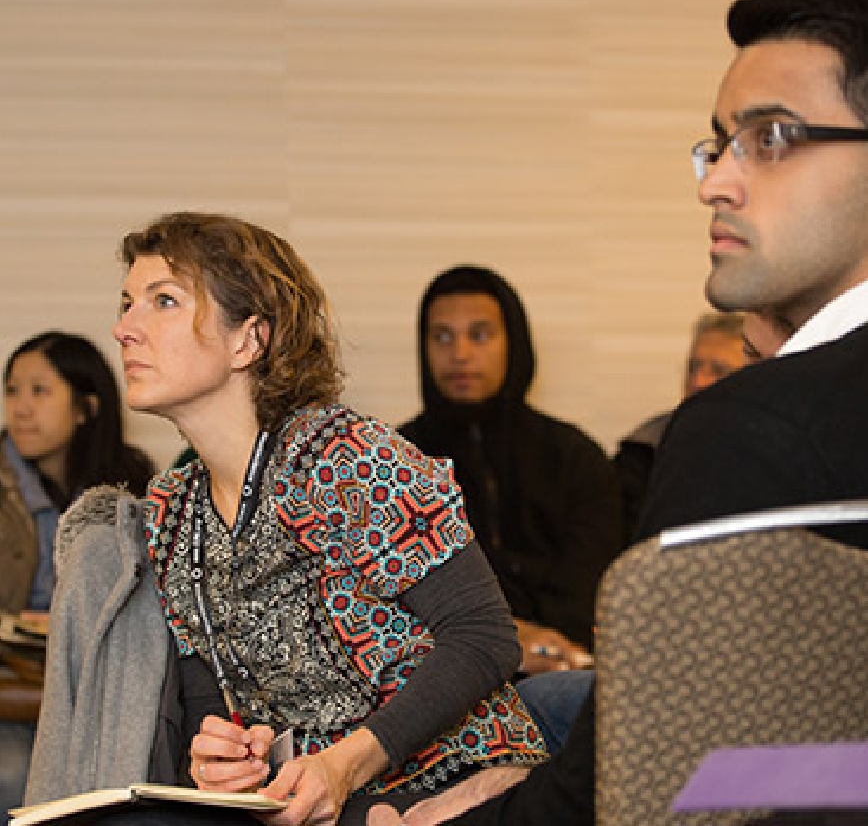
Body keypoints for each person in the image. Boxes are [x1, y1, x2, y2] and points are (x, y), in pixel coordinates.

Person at [366, 0, 868, 826]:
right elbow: (823, 765)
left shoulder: (751, 430)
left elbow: (665, 791)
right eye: (718, 145)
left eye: (773, 137)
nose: (715, 183)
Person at [59, 212, 549, 826]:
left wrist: (344, 765)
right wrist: (217, 756)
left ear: (249, 340)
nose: (125, 328)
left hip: (455, 782)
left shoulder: (344, 458)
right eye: (127, 303)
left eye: (163, 301)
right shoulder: (171, 509)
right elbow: (206, 692)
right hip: (310, 803)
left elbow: (486, 637)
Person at [400, 266, 623, 677]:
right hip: (445, 674)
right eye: (442, 336)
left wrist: (541, 647)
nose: (461, 353)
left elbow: (594, 586)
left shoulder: (574, 458)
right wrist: (504, 642)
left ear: (513, 342)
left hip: (565, 667)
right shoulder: (397, 463)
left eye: (479, 334)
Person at [1, 331, 155, 822]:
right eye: (12, 390)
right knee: (13, 775)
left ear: (86, 407)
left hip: (93, 686)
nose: (20, 408)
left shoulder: (131, 484)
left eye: (39, 391)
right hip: (13, 685)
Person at [613, 311, 746, 540]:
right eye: (693, 367)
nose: (698, 381)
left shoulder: (772, 454)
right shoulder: (644, 451)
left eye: (719, 370)